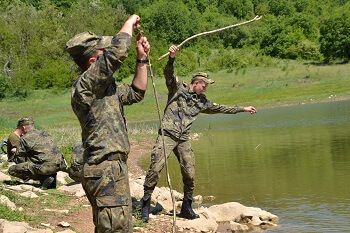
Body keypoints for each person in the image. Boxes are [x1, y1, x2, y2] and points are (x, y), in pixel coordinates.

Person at [141, 45, 257, 222]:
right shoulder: (178, 89)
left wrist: (243, 109)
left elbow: (221, 108)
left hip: (183, 139)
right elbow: (168, 74)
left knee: (190, 173)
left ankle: (186, 207)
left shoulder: (202, 102)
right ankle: (145, 204)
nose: (205, 89)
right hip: (167, 135)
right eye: (203, 86)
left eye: (206, 87)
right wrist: (171, 57)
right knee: (156, 168)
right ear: (195, 83)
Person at [66, 14, 150, 233]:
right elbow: (118, 52)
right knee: (116, 229)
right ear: (93, 63)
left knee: (111, 227)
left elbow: (136, 93)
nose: (108, 62)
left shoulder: (105, 90)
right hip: (105, 169)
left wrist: (141, 59)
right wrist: (129, 23)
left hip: (110, 169)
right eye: (103, 55)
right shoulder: (85, 85)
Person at [8, 117, 66, 189]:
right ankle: (50, 179)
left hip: (45, 167)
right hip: (59, 165)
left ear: (23, 127)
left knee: (12, 170)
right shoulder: (44, 133)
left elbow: (20, 158)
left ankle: (44, 178)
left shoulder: (24, 138)